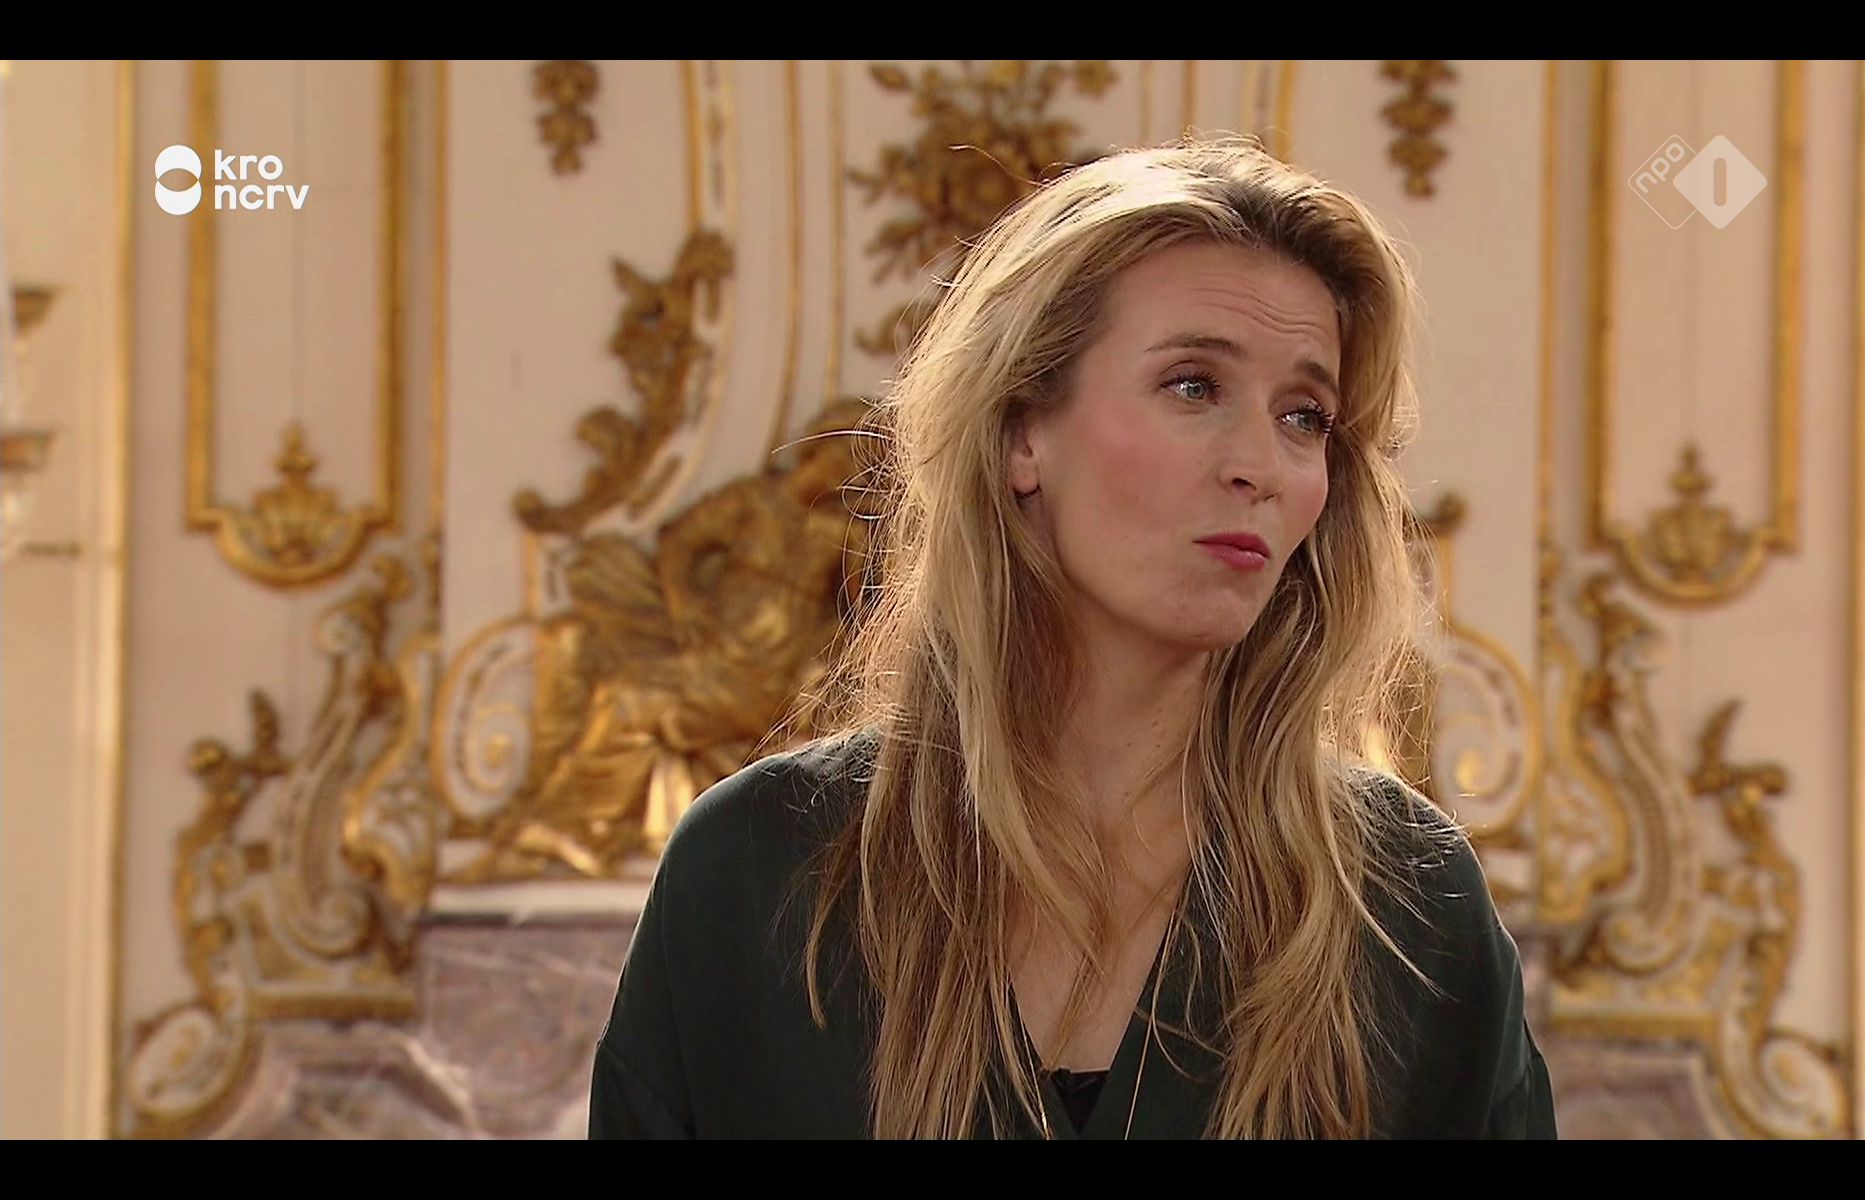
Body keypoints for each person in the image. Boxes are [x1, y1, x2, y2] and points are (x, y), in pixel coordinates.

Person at [588, 135, 1557, 1139]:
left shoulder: (1406, 909)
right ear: (1023, 433)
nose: (1261, 464)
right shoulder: (756, 875)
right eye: (1194, 385)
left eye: (1304, 416)